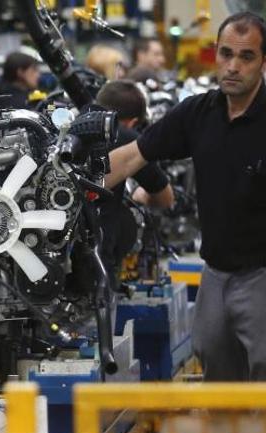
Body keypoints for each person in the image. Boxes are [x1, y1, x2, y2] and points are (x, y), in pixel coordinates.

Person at [106, 12, 266, 381]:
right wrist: (75, 181)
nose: (233, 66)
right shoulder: (200, 112)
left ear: (262, 62)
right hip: (216, 270)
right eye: (226, 54)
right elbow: (133, 155)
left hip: (260, 272)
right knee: (212, 358)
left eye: (246, 57)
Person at [94, 80, 174, 287]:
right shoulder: (128, 138)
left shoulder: (68, 128)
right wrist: (141, 195)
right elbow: (165, 198)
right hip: (98, 261)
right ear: (133, 122)